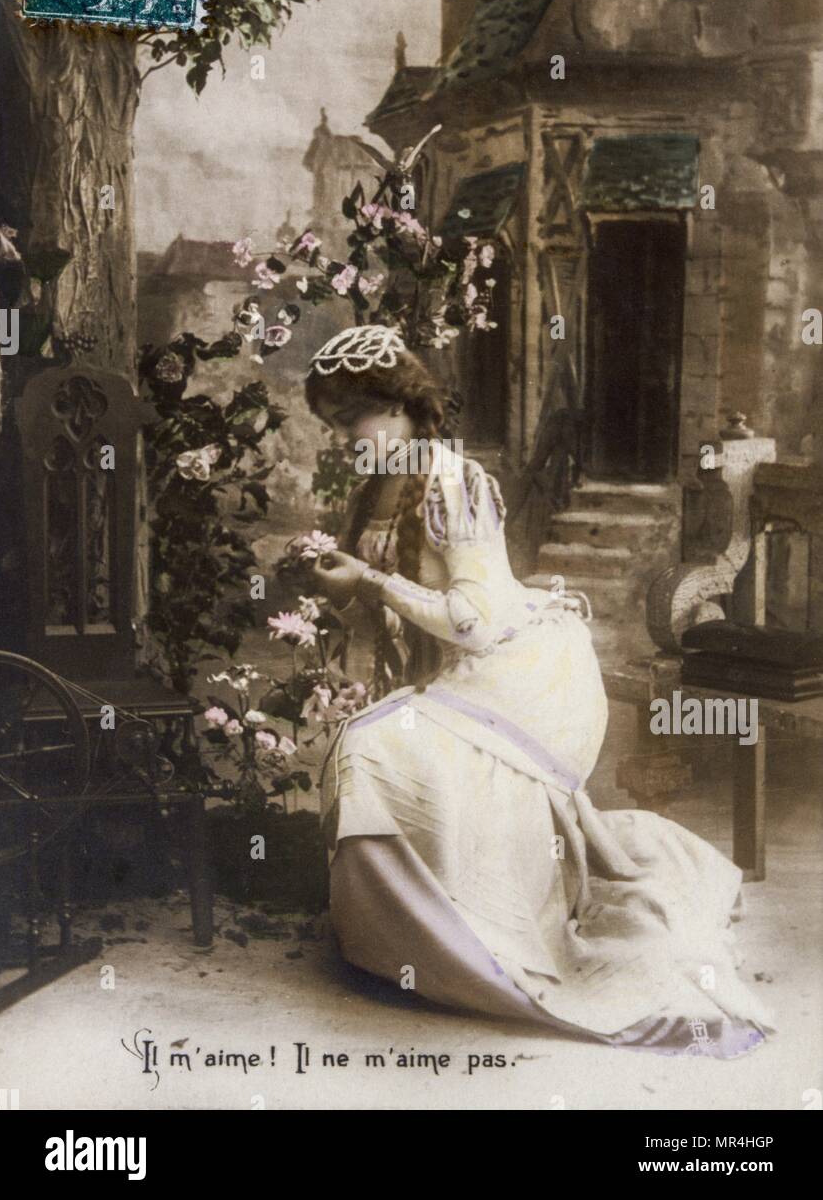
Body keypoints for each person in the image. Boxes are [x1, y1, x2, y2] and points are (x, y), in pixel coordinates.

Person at [307, 324, 773, 1057]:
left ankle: (470, 942)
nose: (345, 439)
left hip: (525, 674)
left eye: (351, 420)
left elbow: (473, 619)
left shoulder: (451, 479)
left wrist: (369, 579)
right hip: (472, 670)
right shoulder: (383, 482)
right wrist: (339, 583)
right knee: (369, 745)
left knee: (373, 749)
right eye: (335, 426)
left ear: (399, 406)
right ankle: (412, 935)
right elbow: (395, 602)